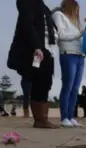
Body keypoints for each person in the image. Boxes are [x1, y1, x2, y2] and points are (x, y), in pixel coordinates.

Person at [7, 0, 59, 128]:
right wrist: (36, 46)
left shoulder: (42, 5)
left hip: (48, 47)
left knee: (46, 81)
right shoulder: (27, 2)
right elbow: (27, 25)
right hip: (36, 47)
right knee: (39, 81)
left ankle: (43, 117)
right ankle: (39, 119)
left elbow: (50, 26)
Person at [52, 0, 86, 127]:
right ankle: (64, 117)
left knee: (75, 88)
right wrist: (80, 34)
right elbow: (61, 35)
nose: (78, 12)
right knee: (68, 85)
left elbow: (77, 37)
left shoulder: (76, 22)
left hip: (80, 55)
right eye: (76, 9)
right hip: (68, 53)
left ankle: (71, 116)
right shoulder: (58, 16)